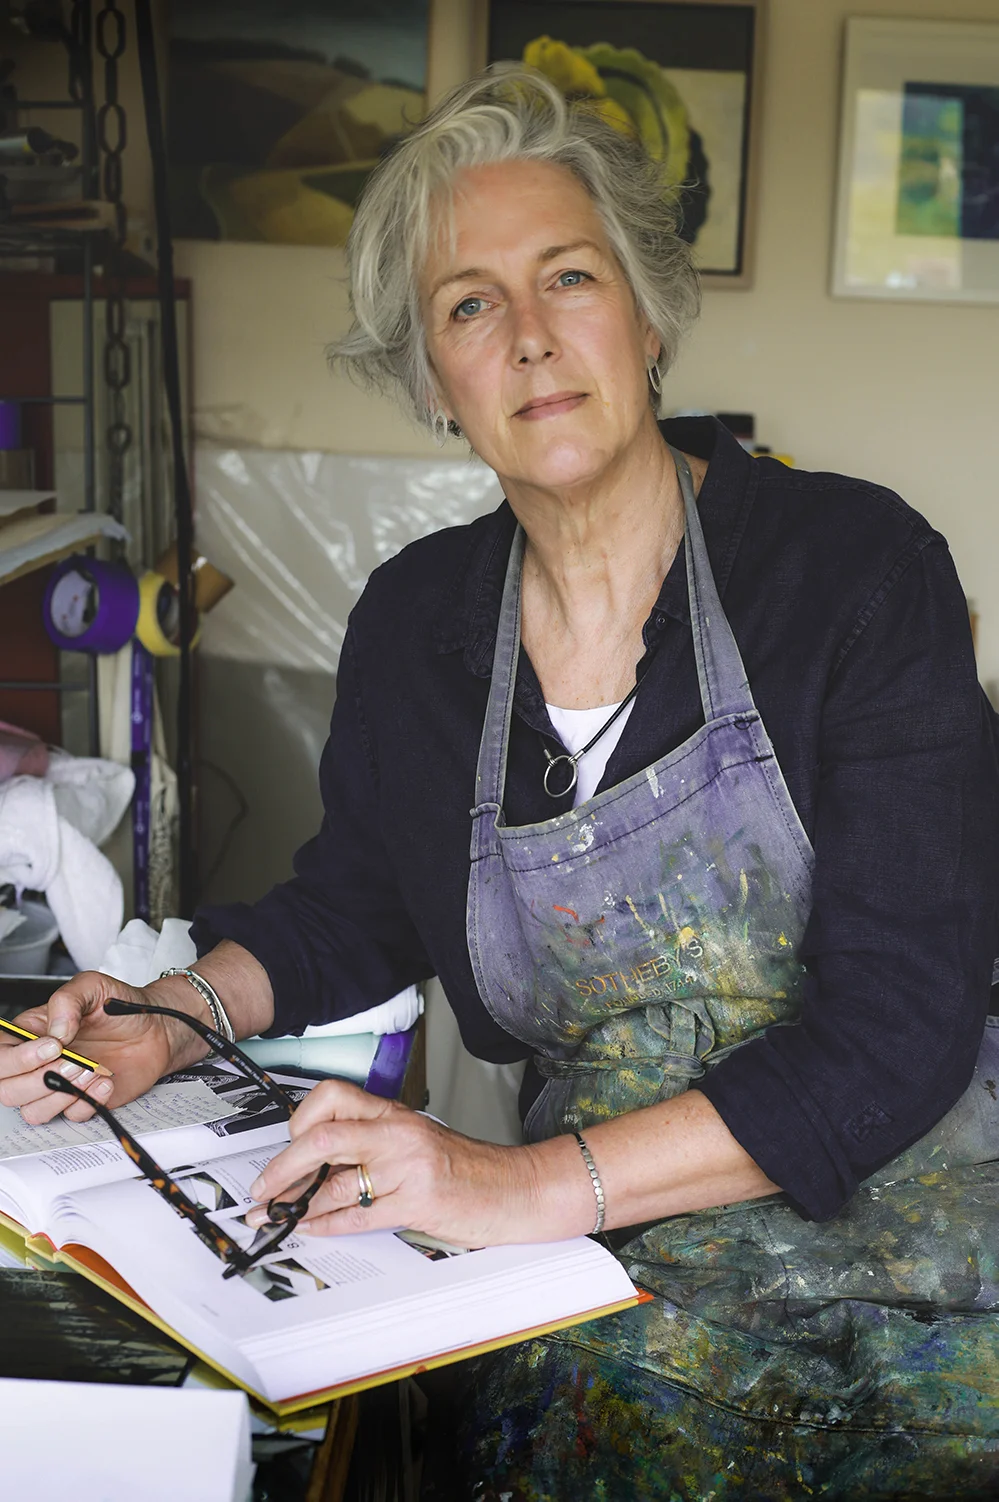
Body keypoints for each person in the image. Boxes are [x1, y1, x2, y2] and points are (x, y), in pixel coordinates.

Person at [4, 67, 999, 1497]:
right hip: (620, 1276)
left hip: (935, 1233)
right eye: (471, 305)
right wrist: (170, 1015)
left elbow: (900, 1026)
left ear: (647, 313)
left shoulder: (855, 571)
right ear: (433, 379)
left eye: (569, 277)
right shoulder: (418, 622)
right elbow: (356, 905)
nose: (530, 336)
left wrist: (511, 1183)